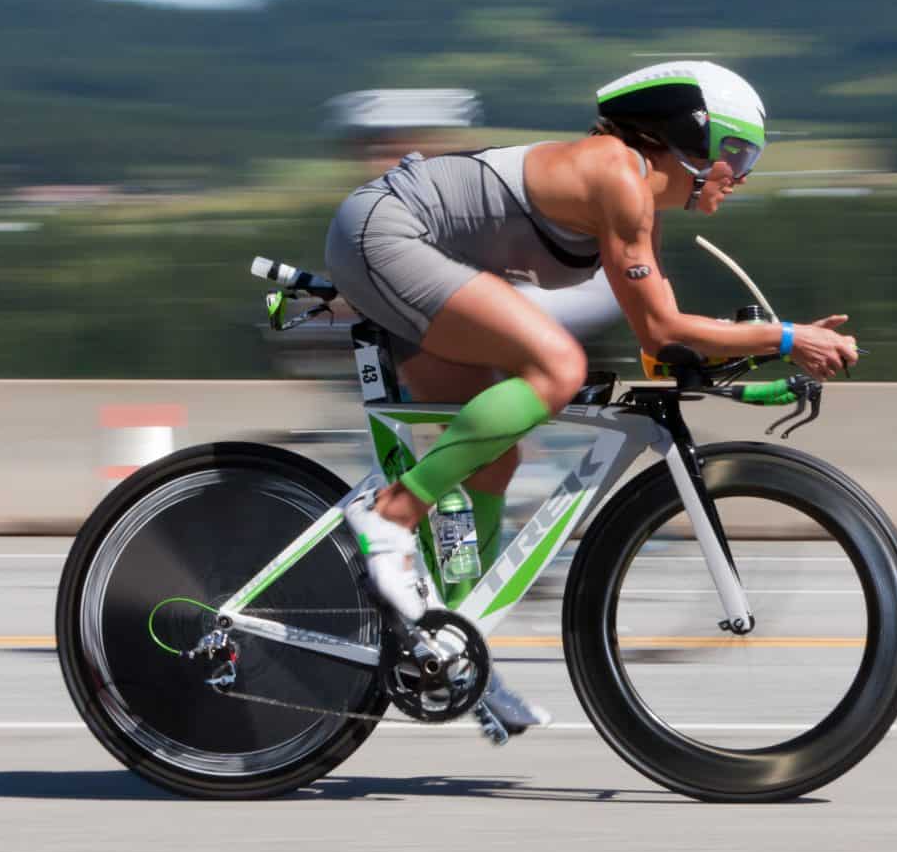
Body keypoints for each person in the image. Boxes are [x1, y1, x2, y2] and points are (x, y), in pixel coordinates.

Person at [322, 61, 860, 738]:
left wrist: (760, 381)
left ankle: (456, 651)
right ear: (691, 135)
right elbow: (663, 329)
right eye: (736, 152)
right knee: (556, 364)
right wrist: (785, 335)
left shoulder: (639, 204)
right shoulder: (618, 176)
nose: (742, 173)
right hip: (388, 232)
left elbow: (661, 350)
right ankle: (391, 517)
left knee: (493, 459)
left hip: (418, 251)